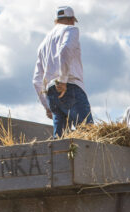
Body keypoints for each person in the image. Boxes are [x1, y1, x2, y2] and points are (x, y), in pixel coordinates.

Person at [32, 6, 94, 138]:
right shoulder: (71, 29)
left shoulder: (43, 44)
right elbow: (65, 49)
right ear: (72, 19)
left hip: (51, 94)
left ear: (56, 20)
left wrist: (47, 106)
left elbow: (37, 80)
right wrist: (63, 80)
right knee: (88, 135)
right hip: (70, 87)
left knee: (59, 142)